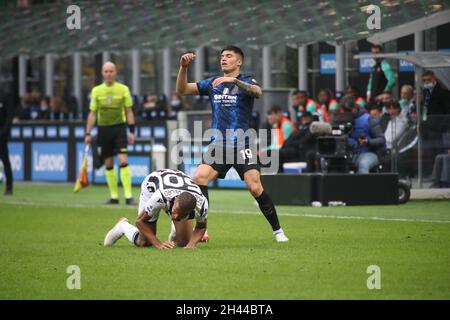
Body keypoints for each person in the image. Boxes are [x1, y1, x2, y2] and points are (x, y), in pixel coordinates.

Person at [176, 45, 288, 242]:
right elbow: (183, 90)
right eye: (222, 56)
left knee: (254, 187)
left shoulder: (245, 81)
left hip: (242, 144)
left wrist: (234, 81)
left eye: (229, 56)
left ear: (239, 62)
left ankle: (278, 231)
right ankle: (202, 228)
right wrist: (183, 68)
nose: (223, 59)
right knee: (199, 177)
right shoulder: (213, 83)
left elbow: (258, 92)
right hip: (218, 145)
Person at [103, 169, 208, 249]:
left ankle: (176, 229)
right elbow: (140, 221)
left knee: (184, 243)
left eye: (180, 215)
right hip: (152, 186)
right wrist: (158, 244)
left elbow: (201, 227)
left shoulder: (202, 205)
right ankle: (122, 226)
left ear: (191, 212)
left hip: (177, 186)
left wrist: (191, 245)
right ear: (175, 200)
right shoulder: (160, 197)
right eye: (174, 212)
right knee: (144, 241)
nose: (174, 216)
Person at [85, 62, 136, 205]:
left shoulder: (123, 89)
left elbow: (129, 111)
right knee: (108, 162)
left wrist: (132, 131)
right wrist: (88, 133)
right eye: (106, 71)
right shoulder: (96, 91)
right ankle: (114, 196)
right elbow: (92, 114)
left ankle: (128, 196)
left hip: (119, 129)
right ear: (102, 73)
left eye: (111, 71)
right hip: (103, 130)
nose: (108, 74)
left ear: (115, 73)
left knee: (123, 160)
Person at [343, 96, 386, 173]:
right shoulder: (341, 120)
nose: (348, 113)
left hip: (368, 153)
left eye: (349, 110)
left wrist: (368, 142)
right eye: (345, 111)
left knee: (363, 164)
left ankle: (363, 184)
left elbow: (381, 140)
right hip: (348, 154)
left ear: (355, 107)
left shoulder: (369, 119)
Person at [0, 89, 14, 195]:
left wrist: (4, 131)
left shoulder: (5, 96)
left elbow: (9, 116)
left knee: (5, 160)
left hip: (1, 135)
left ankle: (9, 187)